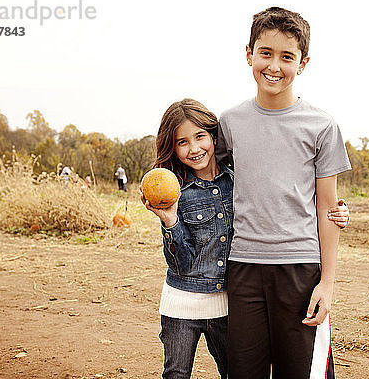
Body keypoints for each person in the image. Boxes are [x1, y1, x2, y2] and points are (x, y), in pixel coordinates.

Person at [140, 99, 350, 379]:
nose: (194, 148)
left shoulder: (236, 178)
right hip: (208, 291)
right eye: (182, 142)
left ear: (214, 137)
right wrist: (170, 222)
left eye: (200, 137)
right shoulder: (179, 191)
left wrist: (336, 212)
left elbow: (283, 193)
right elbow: (183, 261)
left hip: (257, 287)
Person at [216, 7, 352, 378]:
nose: (274, 66)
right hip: (243, 268)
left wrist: (327, 283)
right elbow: (212, 184)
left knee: (301, 372)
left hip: (300, 269)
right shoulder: (228, 124)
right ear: (249, 54)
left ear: (303, 63)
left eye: (287, 57)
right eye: (266, 53)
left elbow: (328, 208)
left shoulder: (321, 125)